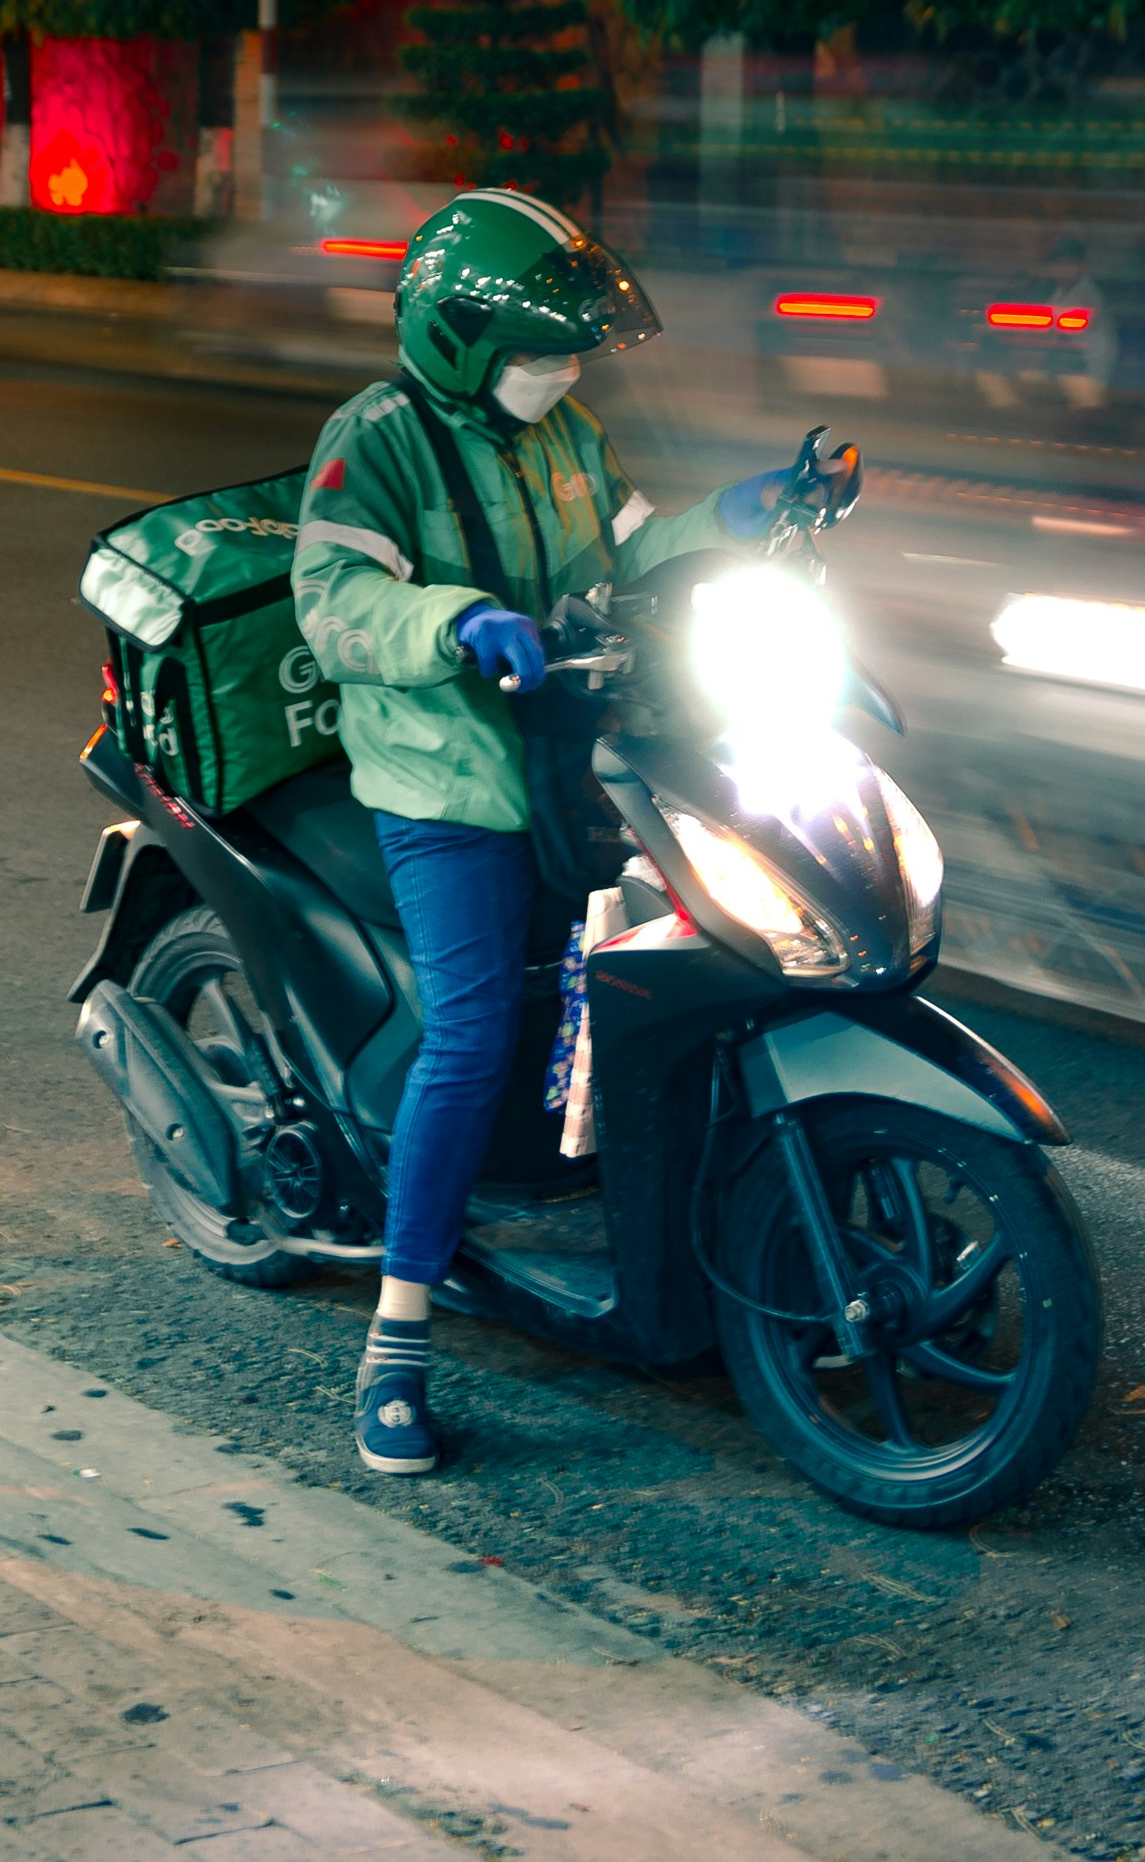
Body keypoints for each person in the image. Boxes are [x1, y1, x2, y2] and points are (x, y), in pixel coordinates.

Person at [292, 186, 823, 1476]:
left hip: (580, 755)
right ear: (465, 338)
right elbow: (333, 596)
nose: (566, 370)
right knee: (471, 1044)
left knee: (685, 967)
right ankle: (397, 1345)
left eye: (575, 350)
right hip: (447, 791)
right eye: (544, 350)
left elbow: (637, 549)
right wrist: (461, 621)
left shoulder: (568, 433)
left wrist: (743, 515)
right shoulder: (376, 442)